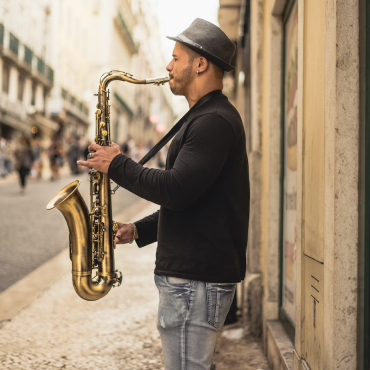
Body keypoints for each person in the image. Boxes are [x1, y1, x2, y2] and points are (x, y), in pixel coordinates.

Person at [78, 18, 250, 370]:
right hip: (193, 282)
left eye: (175, 57)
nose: (168, 66)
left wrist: (118, 164)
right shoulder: (205, 117)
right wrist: (139, 229)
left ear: (200, 64)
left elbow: (176, 189)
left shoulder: (213, 121)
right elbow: (197, 202)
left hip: (194, 284)